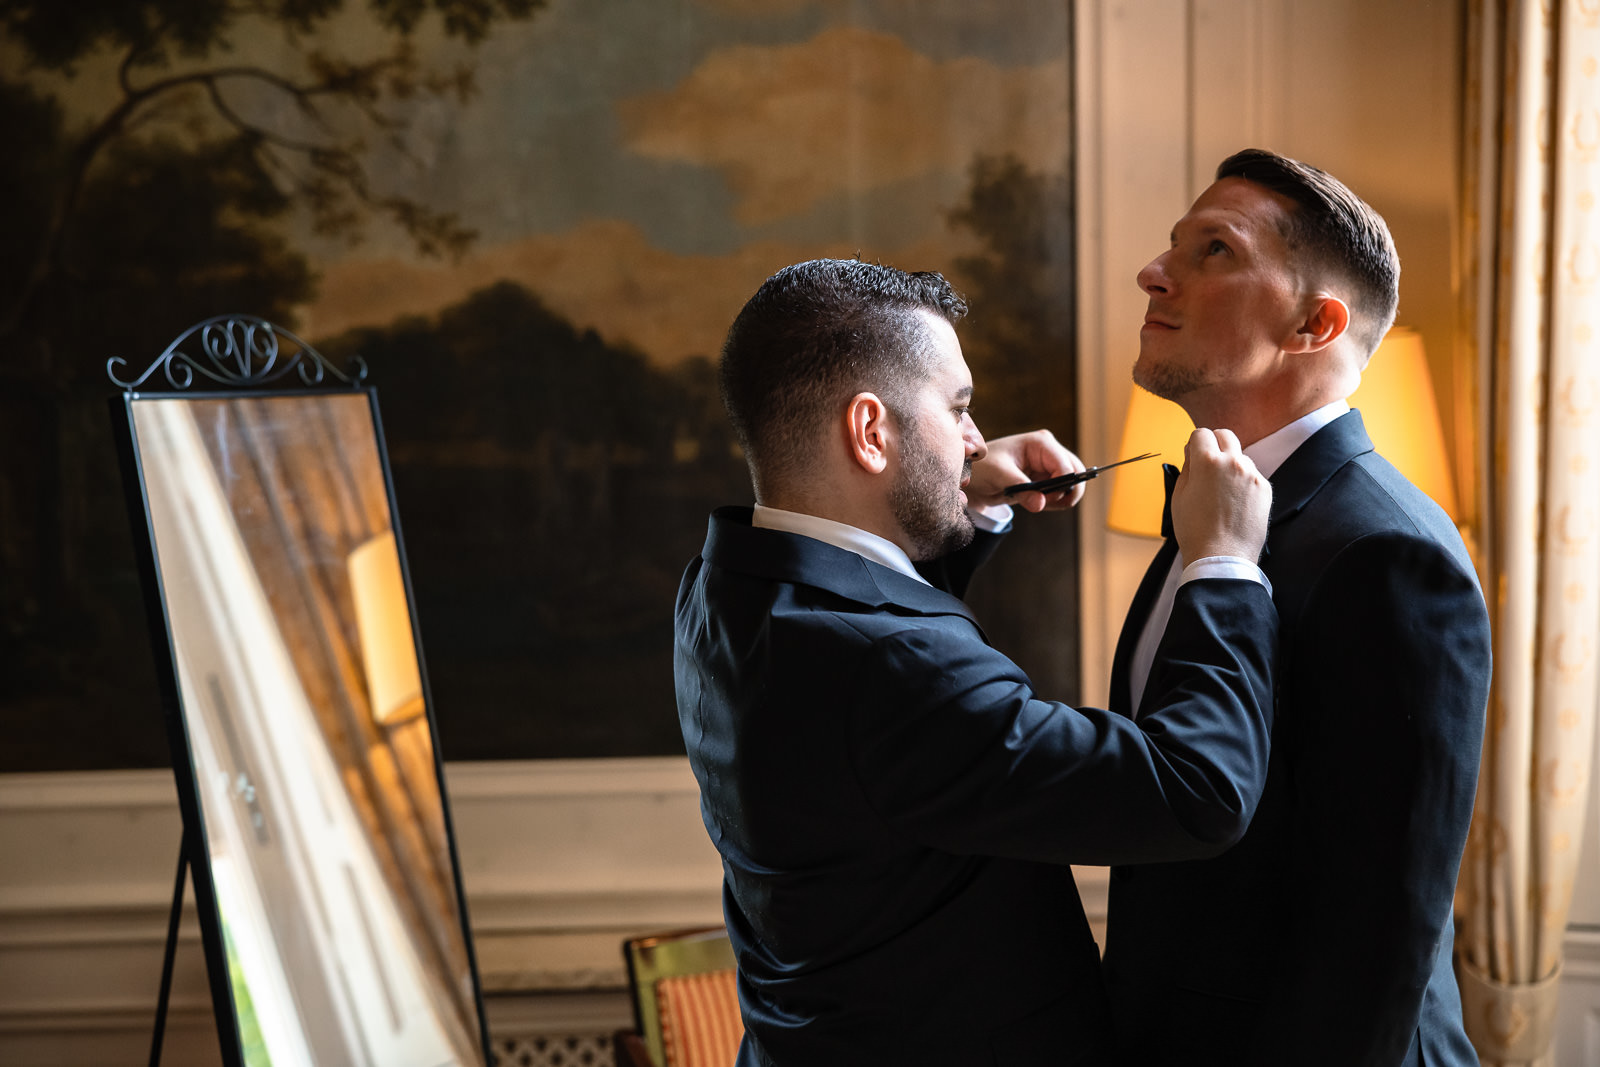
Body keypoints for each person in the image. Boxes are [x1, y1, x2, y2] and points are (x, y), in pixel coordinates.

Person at [675, 257, 1278, 1065]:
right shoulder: (890, 671)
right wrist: (1223, 560)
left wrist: (968, 507)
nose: (973, 439)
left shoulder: (725, 585)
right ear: (870, 432)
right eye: (958, 410)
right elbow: (1196, 791)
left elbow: (860, 627)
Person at [1101, 149, 1492, 1066]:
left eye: (1214, 251)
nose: (1153, 273)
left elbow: (1377, 935)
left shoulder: (1388, 553)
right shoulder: (1210, 511)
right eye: (1172, 247)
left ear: (1316, 324)